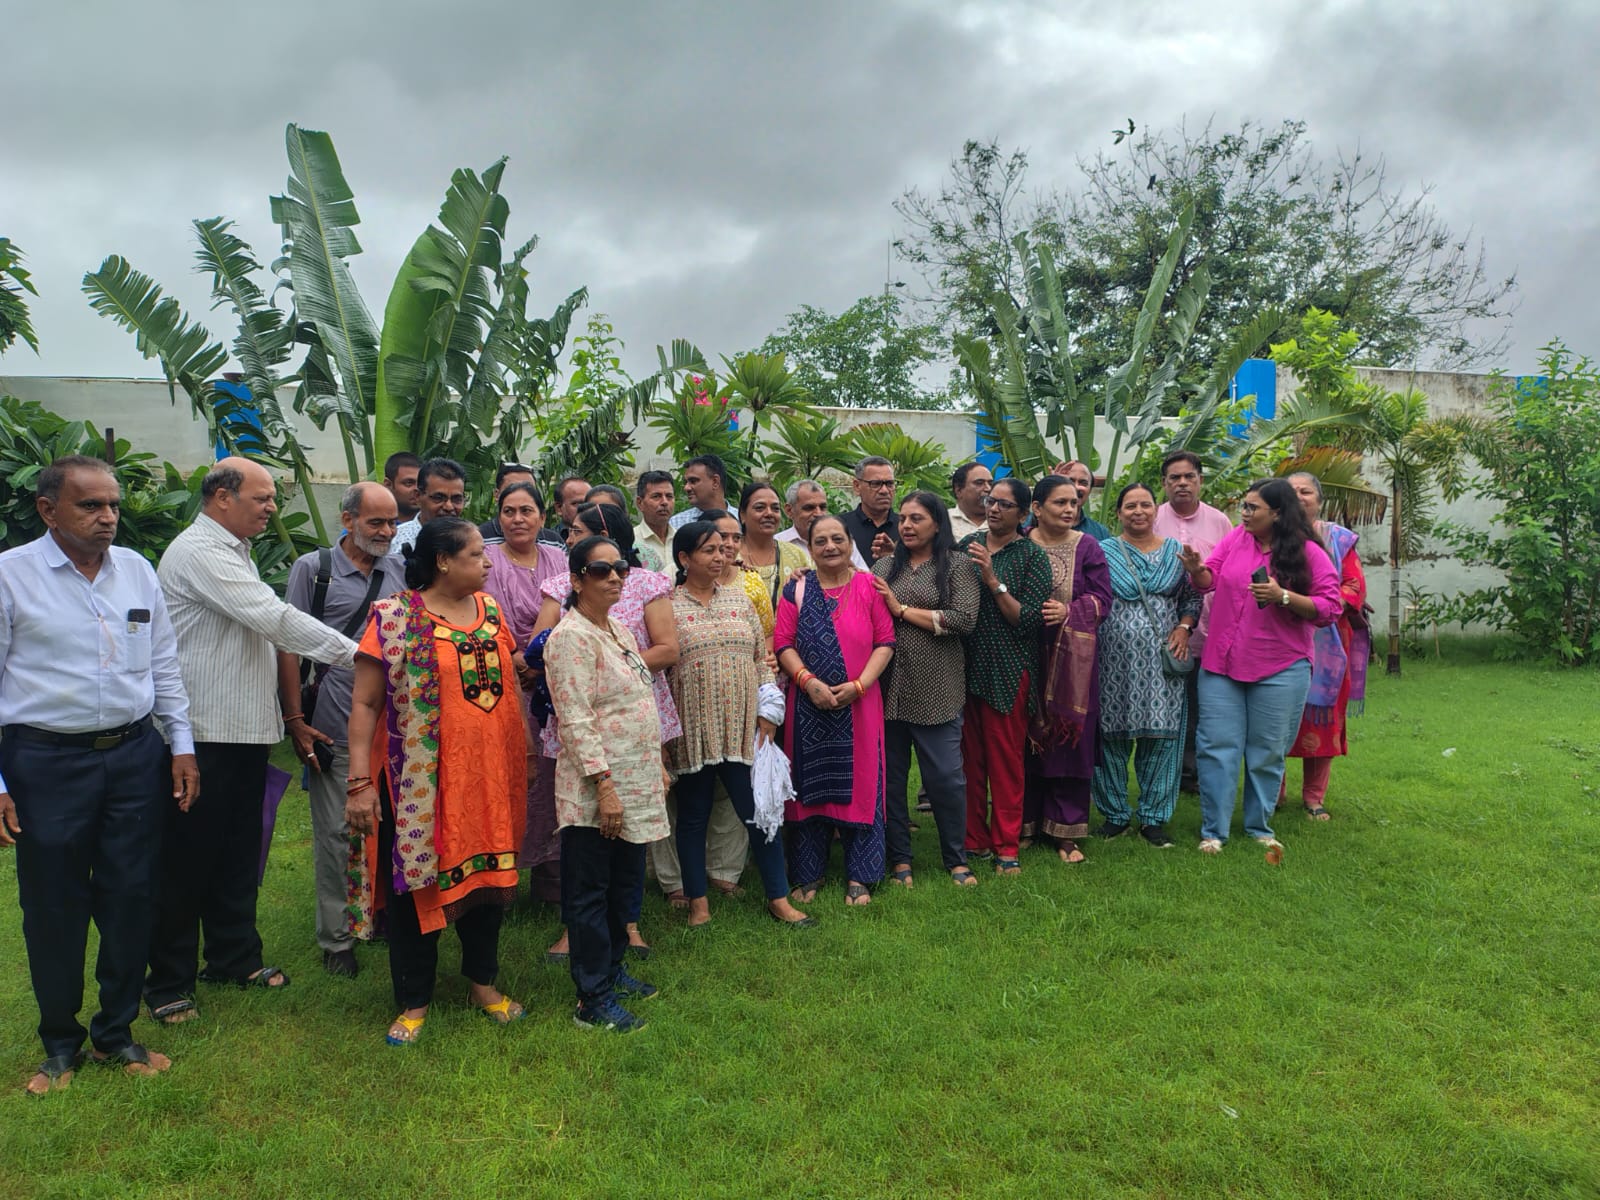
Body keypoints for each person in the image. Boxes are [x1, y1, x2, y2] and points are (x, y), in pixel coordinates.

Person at [0, 456, 199, 1094]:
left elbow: (163, 664)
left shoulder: (136, 572)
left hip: (135, 757)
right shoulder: (11, 578)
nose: (107, 517)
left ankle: (116, 1033)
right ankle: (59, 1043)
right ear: (47, 509)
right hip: (45, 762)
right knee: (53, 905)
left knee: (131, 894)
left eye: (112, 504)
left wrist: (181, 745)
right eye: (90, 505)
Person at [147, 459, 358, 1021]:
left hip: (242, 731)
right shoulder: (200, 552)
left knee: (237, 854)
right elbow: (274, 618)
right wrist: (361, 656)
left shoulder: (231, 550)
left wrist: (288, 718)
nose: (271, 507)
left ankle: (234, 958)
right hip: (201, 734)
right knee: (188, 859)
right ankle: (167, 982)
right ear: (221, 498)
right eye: (262, 498)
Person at [344, 518, 530, 1045]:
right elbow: (364, 703)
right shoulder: (395, 618)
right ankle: (414, 999)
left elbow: (509, 679)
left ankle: (483, 985)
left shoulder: (490, 611)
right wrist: (359, 781)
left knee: (490, 882)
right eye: (477, 554)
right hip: (420, 784)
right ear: (444, 561)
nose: (488, 562)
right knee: (414, 887)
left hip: (490, 778)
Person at [532, 505, 679, 959]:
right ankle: (593, 993)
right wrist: (605, 787)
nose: (615, 577)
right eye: (601, 570)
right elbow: (575, 719)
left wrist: (655, 759)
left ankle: (614, 973)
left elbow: (638, 701)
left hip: (632, 776)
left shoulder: (615, 627)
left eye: (619, 568)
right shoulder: (571, 637)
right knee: (591, 889)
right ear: (577, 580)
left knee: (620, 884)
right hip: (600, 786)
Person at [278, 482, 407, 978]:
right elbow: (287, 643)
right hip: (333, 723)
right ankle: (336, 939)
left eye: (392, 522)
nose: (387, 532)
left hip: (395, 726)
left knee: (392, 826)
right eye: (376, 522)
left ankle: (383, 914)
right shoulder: (316, 571)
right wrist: (295, 721)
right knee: (337, 832)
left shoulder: (399, 568)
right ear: (347, 520)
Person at [1180, 478, 1342, 854]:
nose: (1245, 513)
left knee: (1267, 750)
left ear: (1278, 513)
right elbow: (1209, 580)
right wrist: (1195, 569)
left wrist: (1283, 596)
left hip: (1280, 666)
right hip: (1223, 662)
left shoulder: (1309, 553)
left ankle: (1258, 827)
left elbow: (1330, 607)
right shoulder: (1238, 538)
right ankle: (1213, 832)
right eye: (1245, 507)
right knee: (1215, 745)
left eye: (1253, 508)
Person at [667, 521, 813, 927]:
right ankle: (699, 903)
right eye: (708, 550)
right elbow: (661, 674)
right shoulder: (667, 607)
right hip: (693, 731)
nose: (719, 556)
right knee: (693, 817)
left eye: (722, 549)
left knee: (759, 814)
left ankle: (778, 898)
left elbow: (760, 662)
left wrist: (769, 711)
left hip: (743, 732)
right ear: (684, 559)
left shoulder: (740, 600)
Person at [774, 515, 895, 905]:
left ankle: (861, 874)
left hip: (861, 703)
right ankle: (808, 874)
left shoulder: (869, 586)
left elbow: (885, 642)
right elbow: (783, 643)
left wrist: (859, 686)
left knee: (863, 783)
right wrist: (808, 682)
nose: (830, 547)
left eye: (838, 539)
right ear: (809, 547)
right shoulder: (797, 588)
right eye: (821, 540)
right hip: (808, 703)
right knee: (808, 786)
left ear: (849, 544)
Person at [870, 492, 981, 887]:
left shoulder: (956, 565)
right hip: (886, 687)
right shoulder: (884, 565)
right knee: (892, 779)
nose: (907, 526)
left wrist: (901, 612)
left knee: (946, 779)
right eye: (902, 519)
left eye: (916, 519)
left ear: (937, 522)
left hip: (938, 686)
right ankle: (900, 858)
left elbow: (964, 619)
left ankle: (956, 858)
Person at [1092, 483, 1201, 848]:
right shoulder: (1102, 551)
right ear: (1118, 513)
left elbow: (1191, 595)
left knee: (1162, 737)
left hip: (1163, 664)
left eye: (1145, 505)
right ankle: (1115, 815)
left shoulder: (1176, 552)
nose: (1138, 512)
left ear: (1157, 510)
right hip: (1112, 662)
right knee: (1110, 738)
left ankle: (1154, 819)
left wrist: (1185, 628)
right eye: (1130, 506)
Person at [480, 481, 569, 907]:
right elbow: (480, 613)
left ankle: (553, 883)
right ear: (499, 516)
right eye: (509, 511)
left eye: (526, 511)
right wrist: (519, 660)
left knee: (552, 781)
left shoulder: (559, 559)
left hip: (553, 687)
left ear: (542, 517)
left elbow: (571, 614)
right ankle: (501, 884)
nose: (518, 519)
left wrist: (540, 663)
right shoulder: (486, 560)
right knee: (509, 780)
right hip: (500, 683)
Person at [958, 477, 1052, 874]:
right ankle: (973, 840)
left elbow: (1027, 620)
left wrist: (993, 581)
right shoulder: (966, 547)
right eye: (990, 501)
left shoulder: (1032, 556)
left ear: (1023, 513)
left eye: (1004, 504)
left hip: (1009, 669)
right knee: (968, 762)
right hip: (963, 666)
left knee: (1005, 762)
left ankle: (1006, 846)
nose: (993, 508)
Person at [1022, 476, 1112, 862]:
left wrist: (1069, 611)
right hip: (1026, 650)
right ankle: (1023, 822)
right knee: (1025, 734)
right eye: (1059, 502)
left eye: (1074, 503)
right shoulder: (1020, 543)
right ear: (1037, 508)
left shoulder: (1087, 546)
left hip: (1073, 659)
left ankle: (1066, 830)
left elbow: (1103, 598)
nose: (1069, 509)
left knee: (1068, 737)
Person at [1281, 472, 1369, 819]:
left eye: (1306, 491)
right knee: (1275, 716)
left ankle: (1314, 797)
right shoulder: (1269, 536)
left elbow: (1353, 585)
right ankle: (1274, 793)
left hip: (1329, 644)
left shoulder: (1339, 539)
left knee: (1323, 719)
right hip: (1280, 636)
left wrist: (1314, 605)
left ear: (1319, 500)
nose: (1299, 497)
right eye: (1291, 492)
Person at [1153, 450, 1234, 792]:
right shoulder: (1151, 518)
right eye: (1175, 477)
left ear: (1200, 481)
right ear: (1165, 483)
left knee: (1205, 709)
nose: (1182, 483)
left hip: (1209, 633)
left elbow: (1229, 575)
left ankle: (1196, 774)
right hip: (1163, 634)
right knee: (1170, 707)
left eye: (1189, 477)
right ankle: (1170, 773)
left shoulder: (1220, 523)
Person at [738, 480, 812, 615]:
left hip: (789, 635)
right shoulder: (730, 558)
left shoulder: (796, 555)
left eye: (775, 508)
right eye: (760, 508)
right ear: (743, 515)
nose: (769, 514)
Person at [778, 479, 866, 568]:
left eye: (822, 507)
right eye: (809, 508)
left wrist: (851, 570)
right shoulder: (776, 544)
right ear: (789, 511)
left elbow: (867, 579)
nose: (818, 514)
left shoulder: (843, 542)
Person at [395, 457, 467, 552]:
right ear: (417, 496)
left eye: (456, 499)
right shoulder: (394, 542)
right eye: (438, 498)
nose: (449, 507)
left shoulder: (469, 541)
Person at [841, 456, 900, 562]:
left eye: (890, 484)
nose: (884, 490)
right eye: (876, 484)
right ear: (857, 486)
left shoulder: (906, 529)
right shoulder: (839, 527)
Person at [477, 463, 537, 546]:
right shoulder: (479, 539)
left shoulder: (553, 541)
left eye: (528, 489)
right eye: (512, 489)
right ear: (497, 495)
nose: (520, 494)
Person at [668, 454, 731, 531]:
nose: (686, 488)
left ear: (715, 482)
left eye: (693, 481)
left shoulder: (743, 520)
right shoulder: (677, 524)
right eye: (686, 482)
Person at [1055, 461, 1111, 541]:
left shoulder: (1100, 533)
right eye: (1070, 481)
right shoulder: (1038, 524)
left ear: (1090, 490)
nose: (1076, 487)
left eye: (1083, 483)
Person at [633, 470, 676, 571]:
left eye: (669, 496)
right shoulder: (632, 541)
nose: (664, 502)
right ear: (640, 503)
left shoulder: (682, 539)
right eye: (656, 496)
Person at [948, 461, 992, 541]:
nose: (988, 488)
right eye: (979, 483)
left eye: (990, 483)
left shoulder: (1001, 520)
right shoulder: (944, 520)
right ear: (959, 490)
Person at [383, 451, 422, 522]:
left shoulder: (437, 524)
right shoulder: (376, 526)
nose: (417, 489)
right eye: (409, 483)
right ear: (388, 485)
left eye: (420, 483)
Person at [552, 475, 592, 542]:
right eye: (577, 503)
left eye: (589, 503)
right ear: (559, 508)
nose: (585, 507)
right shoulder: (548, 541)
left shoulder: (604, 538)